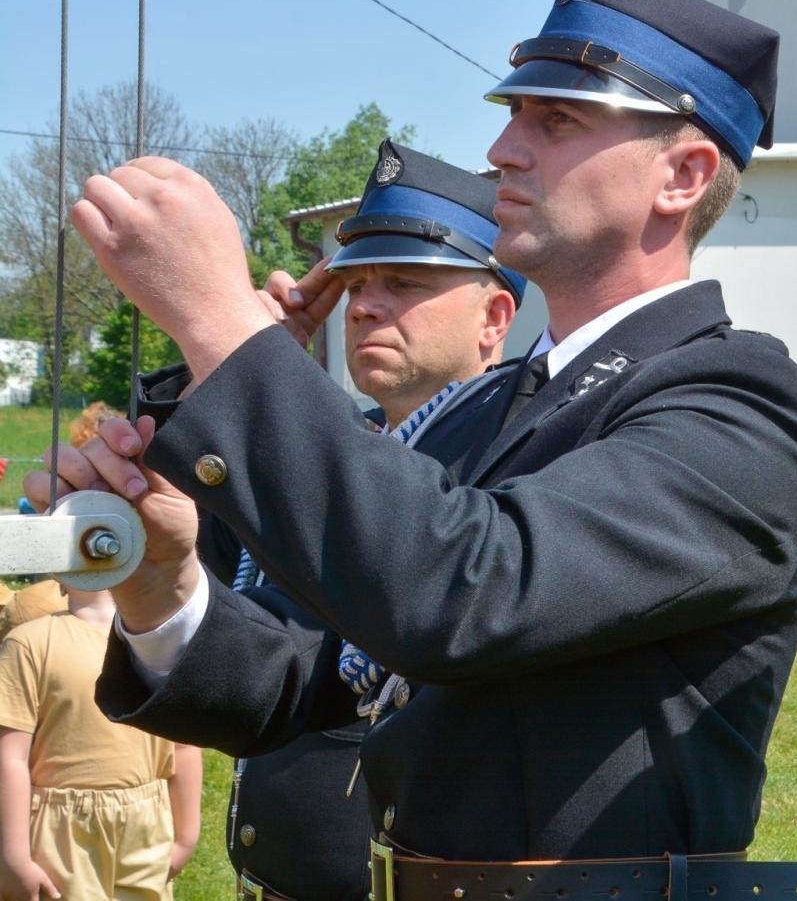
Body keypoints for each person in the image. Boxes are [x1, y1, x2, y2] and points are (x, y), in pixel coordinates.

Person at [59, 0, 797, 900]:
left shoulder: (736, 401)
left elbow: (464, 592)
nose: (503, 150)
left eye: (555, 120)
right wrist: (163, 582)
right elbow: (315, 674)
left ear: (682, 174)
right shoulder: (490, 409)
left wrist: (222, 324)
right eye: (514, 114)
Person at [92, 140, 520, 901]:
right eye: (355, 284)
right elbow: (217, 575)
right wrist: (239, 377)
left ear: (494, 318)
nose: (365, 305)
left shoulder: (505, 475)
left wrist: (257, 375)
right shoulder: (318, 457)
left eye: (404, 282)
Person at [0, 582, 201, 901]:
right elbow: (10, 758)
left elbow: (184, 744)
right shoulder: (31, 643)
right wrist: (14, 856)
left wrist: (185, 838)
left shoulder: (164, 643)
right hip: (61, 835)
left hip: (145, 828)